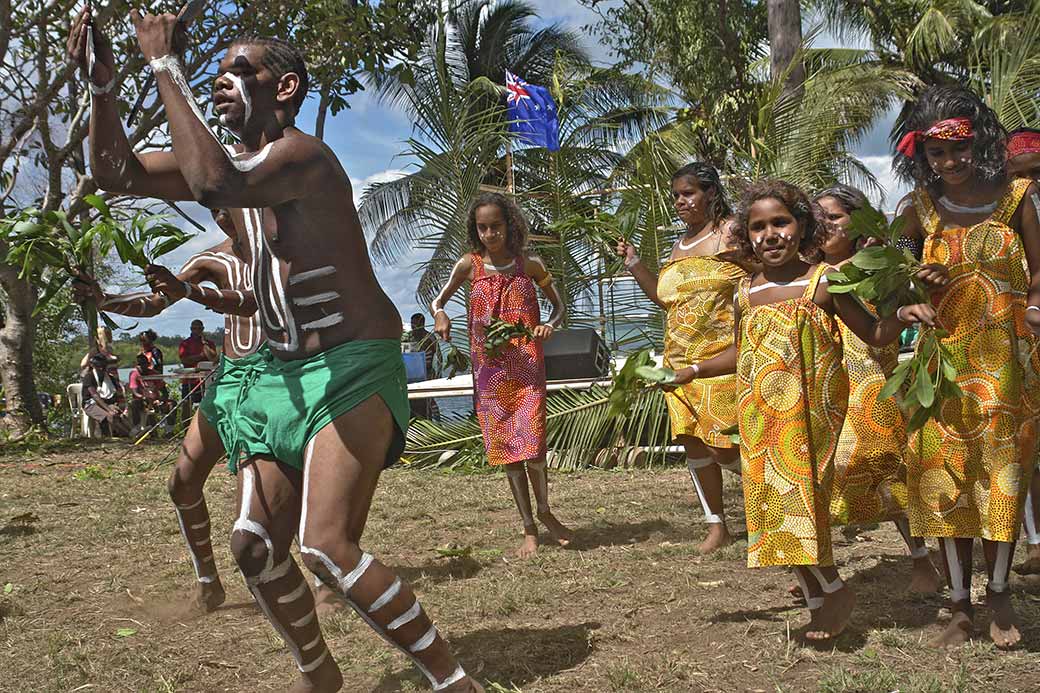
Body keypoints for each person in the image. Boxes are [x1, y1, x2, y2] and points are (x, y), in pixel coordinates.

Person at [71, 8, 480, 692]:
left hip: (351, 367)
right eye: (217, 73)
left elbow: (214, 186)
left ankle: (452, 678)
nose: (222, 82)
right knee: (254, 545)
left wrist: (165, 63)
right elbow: (116, 171)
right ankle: (319, 673)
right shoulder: (232, 168)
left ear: (284, 88)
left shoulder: (304, 159)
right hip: (277, 376)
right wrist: (102, 89)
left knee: (325, 545)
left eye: (239, 72)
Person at [668, 180, 937, 640]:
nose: (769, 234)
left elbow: (873, 334)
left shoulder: (822, 282)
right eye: (758, 226)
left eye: (780, 222)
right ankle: (819, 599)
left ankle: (833, 590)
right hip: (761, 418)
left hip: (810, 419)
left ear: (802, 226)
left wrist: (904, 314)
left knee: (802, 502)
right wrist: (694, 368)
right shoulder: (746, 292)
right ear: (746, 236)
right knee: (770, 506)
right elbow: (741, 349)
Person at [893, 85, 1040, 648]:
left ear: (979, 143)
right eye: (937, 154)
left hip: (1008, 363)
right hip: (942, 368)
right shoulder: (919, 210)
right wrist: (910, 292)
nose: (949, 163)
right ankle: (958, 605)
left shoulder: (1018, 196)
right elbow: (884, 275)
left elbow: (1039, 272)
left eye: (959, 150)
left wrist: (1032, 305)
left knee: (1002, 476)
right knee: (946, 477)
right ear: (922, 154)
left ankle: (999, 593)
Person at [74, 206, 267, 614]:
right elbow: (159, 300)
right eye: (214, 210)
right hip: (229, 379)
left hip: (279, 379)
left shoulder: (284, 250)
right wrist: (105, 299)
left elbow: (254, 301)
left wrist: (192, 293)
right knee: (182, 484)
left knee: (270, 499)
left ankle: (316, 580)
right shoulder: (210, 259)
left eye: (228, 205)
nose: (223, 217)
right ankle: (208, 583)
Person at [813, 184, 942, 594]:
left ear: (859, 220)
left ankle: (921, 559)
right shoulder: (807, 273)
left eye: (834, 217)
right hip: (822, 383)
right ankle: (822, 565)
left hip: (872, 382)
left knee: (888, 468)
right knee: (820, 472)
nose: (825, 226)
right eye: (817, 219)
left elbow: (895, 321)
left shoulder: (883, 268)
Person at [431, 192, 572, 559]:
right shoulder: (469, 265)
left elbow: (559, 307)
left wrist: (548, 326)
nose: (490, 234)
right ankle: (528, 527)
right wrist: (440, 316)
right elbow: (438, 300)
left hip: (527, 366)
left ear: (510, 225)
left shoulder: (532, 266)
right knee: (508, 449)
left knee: (534, 445)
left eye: (496, 226)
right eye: (483, 228)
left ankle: (545, 511)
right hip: (490, 372)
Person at [617, 162, 747, 553]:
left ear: (710, 193)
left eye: (688, 193)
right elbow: (665, 298)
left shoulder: (730, 232)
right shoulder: (679, 245)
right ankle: (716, 524)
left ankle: (777, 502)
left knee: (726, 447)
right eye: (676, 195)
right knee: (693, 444)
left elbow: (754, 278)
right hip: (678, 362)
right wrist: (635, 263)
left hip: (723, 358)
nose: (680, 201)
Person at [1007, 128, 1040, 576]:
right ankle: (1035, 542)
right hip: (1017, 338)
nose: (1032, 184)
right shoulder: (1004, 210)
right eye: (1023, 174)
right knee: (1028, 443)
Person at [81, 352, 130, 436]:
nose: (101, 369)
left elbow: (115, 394)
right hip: (90, 404)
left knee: (119, 413)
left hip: (106, 402)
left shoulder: (110, 378)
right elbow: (95, 396)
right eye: (99, 367)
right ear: (93, 366)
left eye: (103, 367)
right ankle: (117, 436)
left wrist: (115, 406)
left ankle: (130, 432)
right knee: (107, 416)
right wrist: (109, 409)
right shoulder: (89, 377)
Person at [177, 319, 218, 419]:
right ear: (191, 329)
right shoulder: (185, 344)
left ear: (203, 329)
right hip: (190, 379)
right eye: (194, 328)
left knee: (208, 404)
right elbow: (184, 360)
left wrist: (204, 344)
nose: (197, 330)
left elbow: (213, 359)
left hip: (207, 380)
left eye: (199, 328)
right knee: (186, 404)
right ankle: (185, 429)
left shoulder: (209, 343)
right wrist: (200, 356)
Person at [127, 353, 173, 433]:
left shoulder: (154, 374)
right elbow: (135, 392)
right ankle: (137, 428)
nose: (142, 366)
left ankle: (169, 430)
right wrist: (144, 398)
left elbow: (164, 391)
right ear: (136, 365)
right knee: (134, 403)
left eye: (144, 364)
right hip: (142, 401)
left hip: (155, 400)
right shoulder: (134, 374)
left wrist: (161, 400)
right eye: (139, 364)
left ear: (148, 364)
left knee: (171, 404)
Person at [408, 313, 441, 420]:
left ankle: (438, 422)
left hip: (427, 373)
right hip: (411, 375)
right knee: (411, 400)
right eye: (412, 325)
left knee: (429, 399)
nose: (414, 328)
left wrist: (438, 374)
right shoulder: (408, 337)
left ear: (423, 324)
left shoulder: (430, 337)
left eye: (416, 325)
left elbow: (440, 357)